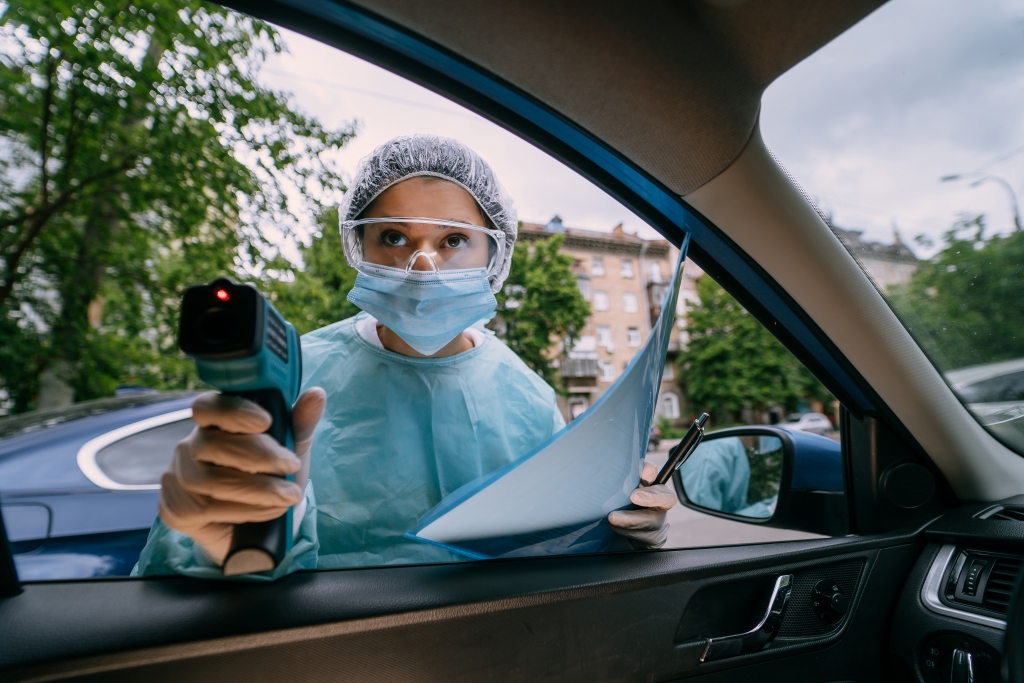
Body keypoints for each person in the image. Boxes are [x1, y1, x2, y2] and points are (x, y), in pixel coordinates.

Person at [134, 136, 676, 579]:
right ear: (358, 246)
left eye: (454, 240)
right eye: (393, 236)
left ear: (496, 254)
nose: (421, 266)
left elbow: (557, 548)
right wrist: (210, 548)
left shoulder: (528, 397)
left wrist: (621, 532)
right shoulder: (294, 372)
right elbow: (180, 587)